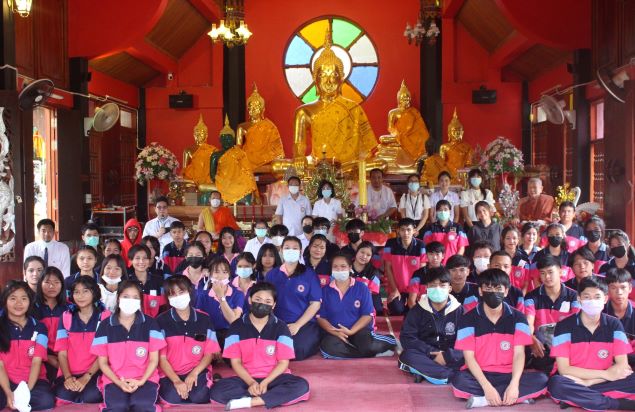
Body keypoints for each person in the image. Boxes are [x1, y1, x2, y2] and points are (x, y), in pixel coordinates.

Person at [451, 269, 548, 408]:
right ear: (480, 291)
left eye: (498, 288)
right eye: (488, 288)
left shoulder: (519, 318)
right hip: (479, 374)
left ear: (506, 291)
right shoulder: (467, 319)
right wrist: (486, 386)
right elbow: (469, 358)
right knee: (459, 380)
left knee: (542, 379)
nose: (493, 292)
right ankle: (514, 397)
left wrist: (514, 384)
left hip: (509, 374)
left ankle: (484, 400)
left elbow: (519, 354)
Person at [209, 283, 310, 409]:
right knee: (217, 391)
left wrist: (266, 382)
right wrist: (251, 382)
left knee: (301, 385)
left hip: (275, 378)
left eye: (268, 301)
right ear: (250, 300)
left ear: (274, 305)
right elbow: (236, 363)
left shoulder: (281, 327)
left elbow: (283, 363)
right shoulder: (236, 327)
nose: (262, 304)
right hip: (246, 378)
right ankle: (270, 397)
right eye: (258, 299)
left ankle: (251, 401)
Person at [548, 276, 635, 410]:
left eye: (597, 297)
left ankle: (580, 398)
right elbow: (564, 369)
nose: (592, 301)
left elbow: (622, 365)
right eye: (587, 297)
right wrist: (606, 374)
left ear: (605, 299)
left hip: (600, 380)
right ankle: (615, 403)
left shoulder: (614, 324)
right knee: (557, 383)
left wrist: (589, 382)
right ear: (579, 299)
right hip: (574, 379)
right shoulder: (564, 326)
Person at [90, 280, 167, 412]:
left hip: (145, 378)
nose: (130, 301)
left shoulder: (151, 323)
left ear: (140, 301)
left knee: (142, 405)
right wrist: (119, 382)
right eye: (126, 297)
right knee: (117, 407)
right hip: (114, 379)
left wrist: (141, 381)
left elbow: (154, 360)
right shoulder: (105, 325)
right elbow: (102, 363)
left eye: (135, 298)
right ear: (118, 298)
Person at [318, 253, 396, 359]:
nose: (339, 270)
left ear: (350, 267)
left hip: (359, 330)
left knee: (367, 346)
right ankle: (369, 353)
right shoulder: (325, 291)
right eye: (335, 267)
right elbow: (321, 317)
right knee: (328, 349)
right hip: (336, 332)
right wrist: (335, 332)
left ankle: (390, 341)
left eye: (343, 266)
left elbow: (367, 315)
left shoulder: (362, 288)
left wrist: (351, 331)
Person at [157, 276, 220, 404]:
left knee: (200, 397)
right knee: (173, 398)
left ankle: (211, 379)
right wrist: (176, 381)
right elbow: (161, 358)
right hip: (170, 373)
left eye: (181, 292)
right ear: (168, 298)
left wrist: (194, 374)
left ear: (190, 291)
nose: (178, 297)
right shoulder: (160, 321)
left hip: (197, 370)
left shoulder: (204, 319)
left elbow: (209, 354)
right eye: (173, 294)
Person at [399, 267, 464, 384]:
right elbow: (407, 338)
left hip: (451, 356)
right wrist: (431, 352)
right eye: (433, 285)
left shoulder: (460, 311)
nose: (437, 289)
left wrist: (447, 355)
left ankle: (427, 372)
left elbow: (467, 341)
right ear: (427, 288)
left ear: (450, 288)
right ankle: (448, 374)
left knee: (470, 356)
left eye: (442, 285)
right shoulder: (416, 311)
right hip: (426, 354)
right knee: (406, 356)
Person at [0, 281, 55, 411]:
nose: (18, 303)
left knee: (46, 400)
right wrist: (8, 391)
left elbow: (37, 362)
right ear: (5, 301)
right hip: (5, 380)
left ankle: (13, 402)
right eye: (13, 298)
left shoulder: (39, 327)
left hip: (33, 381)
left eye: (24, 298)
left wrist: (24, 393)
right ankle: (12, 400)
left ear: (30, 302)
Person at [55, 276, 110, 405]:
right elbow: (62, 353)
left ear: (94, 292)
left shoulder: (105, 316)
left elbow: (104, 353)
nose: (80, 296)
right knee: (63, 395)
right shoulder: (66, 317)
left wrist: (87, 376)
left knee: (91, 396)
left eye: (85, 291)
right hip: (70, 373)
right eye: (76, 292)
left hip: (95, 372)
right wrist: (68, 377)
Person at [265, 236, 322, 361]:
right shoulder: (272, 274)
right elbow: (266, 301)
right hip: (277, 323)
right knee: (267, 348)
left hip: (304, 323)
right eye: (287, 248)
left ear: (300, 252)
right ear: (281, 251)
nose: (291, 251)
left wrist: (297, 325)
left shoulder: (309, 274)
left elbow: (315, 303)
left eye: (295, 248)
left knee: (297, 350)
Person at [524, 255, 580, 374]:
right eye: (542, 273)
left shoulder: (574, 296)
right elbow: (529, 320)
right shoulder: (531, 297)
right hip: (543, 348)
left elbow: (577, 323)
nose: (547, 277)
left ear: (560, 272)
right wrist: (531, 338)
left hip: (567, 347)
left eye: (550, 272)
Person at [195, 257, 244, 349]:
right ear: (210, 274)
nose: (221, 276)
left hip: (231, 339)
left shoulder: (238, 294)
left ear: (229, 274)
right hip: (209, 338)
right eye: (216, 272)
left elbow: (233, 321)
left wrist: (221, 296)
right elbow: (199, 323)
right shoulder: (203, 295)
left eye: (224, 272)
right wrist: (211, 344)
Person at [384, 218, 427, 315]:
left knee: (417, 309)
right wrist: (394, 290)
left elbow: (422, 271)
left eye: (408, 230)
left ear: (414, 231)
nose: (406, 233)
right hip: (397, 288)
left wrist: (418, 293)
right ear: (398, 231)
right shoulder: (390, 243)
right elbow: (388, 268)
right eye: (402, 230)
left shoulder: (421, 245)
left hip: (414, 289)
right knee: (397, 310)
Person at [33, 266, 68, 382]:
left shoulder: (69, 308)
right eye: (47, 282)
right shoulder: (32, 307)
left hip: (65, 356)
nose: (52, 286)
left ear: (62, 284)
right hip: (39, 357)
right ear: (40, 284)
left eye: (56, 282)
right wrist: (47, 356)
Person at [605, 268, 635, 367]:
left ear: (630, 288)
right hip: (605, 360)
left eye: (623, 287)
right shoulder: (599, 311)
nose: (619, 292)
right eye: (613, 287)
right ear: (607, 289)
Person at [128, 244, 166, 318]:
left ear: (149, 260)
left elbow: (163, 307)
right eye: (137, 258)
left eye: (145, 258)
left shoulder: (160, 281)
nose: (141, 261)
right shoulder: (127, 282)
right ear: (131, 260)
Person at [407, 241, 445, 308]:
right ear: (426, 256)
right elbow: (411, 301)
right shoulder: (417, 274)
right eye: (431, 254)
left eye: (437, 254)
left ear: (443, 256)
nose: (434, 257)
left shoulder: (448, 273)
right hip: (422, 309)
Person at [351, 241, 383, 315]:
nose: (364, 256)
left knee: (378, 309)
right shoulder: (346, 266)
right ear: (357, 251)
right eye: (362, 252)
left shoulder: (374, 271)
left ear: (371, 257)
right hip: (348, 295)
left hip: (367, 296)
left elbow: (373, 291)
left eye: (368, 255)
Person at [501, 226, 532, 293]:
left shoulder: (524, 257)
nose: (511, 241)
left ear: (518, 239)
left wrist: (521, 296)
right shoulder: (498, 257)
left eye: (514, 238)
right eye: (508, 238)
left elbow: (526, 281)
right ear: (503, 239)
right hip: (501, 294)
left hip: (519, 294)